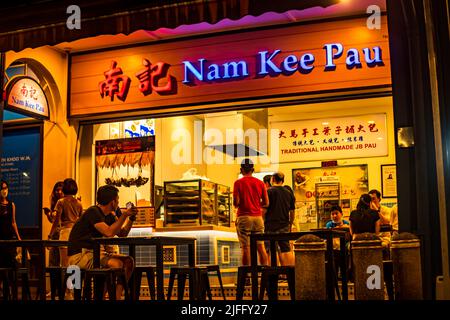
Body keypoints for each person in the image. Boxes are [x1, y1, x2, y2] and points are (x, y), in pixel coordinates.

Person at [68, 185, 138, 300]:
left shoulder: (109, 216)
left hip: (94, 254)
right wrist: (124, 215)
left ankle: (115, 297)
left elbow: (122, 233)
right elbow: (109, 232)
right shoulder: (93, 211)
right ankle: (100, 297)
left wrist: (131, 219)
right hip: (80, 255)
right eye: (118, 199)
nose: (119, 202)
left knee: (128, 261)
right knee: (117, 264)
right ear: (113, 202)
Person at [233, 159, 268, 266]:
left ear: (241, 170)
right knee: (260, 246)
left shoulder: (238, 183)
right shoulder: (260, 183)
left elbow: (236, 202)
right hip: (258, 218)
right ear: (253, 170)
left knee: (246, 247)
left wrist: (240, 203)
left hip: (244, 217)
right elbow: (266, 203)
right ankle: (264, 275)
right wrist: (256, 205)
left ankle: (247, 276)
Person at [49, 178, 83, 267]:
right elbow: (81, 220)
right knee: (75, 263)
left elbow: (56, 220)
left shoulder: (61, 202)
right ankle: (75, 281)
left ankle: (66, 281)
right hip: (76, 234)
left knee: (64, 264)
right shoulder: (79, 203)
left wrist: (50, 235)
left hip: (65, 233)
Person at [263, 172, 295, 266]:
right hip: (284, 225)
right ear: (283, 181)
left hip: (270, 225)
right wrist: (290, 224)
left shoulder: (269, 191)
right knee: (286, 249)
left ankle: (273, 275)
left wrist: (262, 221)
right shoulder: (289, 193)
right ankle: (290, 274)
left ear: (272, 179)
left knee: (272, 249)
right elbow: (292, 212)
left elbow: (264, 209)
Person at [0, 180, 21, 268]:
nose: (4, 191)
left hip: (9, 236)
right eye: (2, 188)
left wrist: (18, 237)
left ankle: (8, 281)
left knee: (10, 263)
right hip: (0, 236)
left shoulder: (11, 205)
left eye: (6, 188)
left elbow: (13, 222)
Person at [43, 181, 64, 267]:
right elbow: (53, 221)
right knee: (54, 261)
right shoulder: (56, 202)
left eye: (61, 190)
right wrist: (48, 214)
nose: (59, 192)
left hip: (62, 233)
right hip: (57, 232)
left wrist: (49, 236)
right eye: (57, 190)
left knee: (61, 262)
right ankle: (57, 280)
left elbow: (56, 222)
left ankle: (64, 280)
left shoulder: (62, 202)